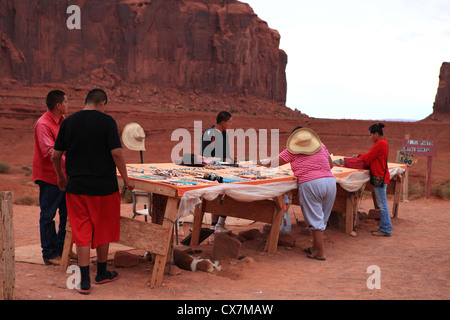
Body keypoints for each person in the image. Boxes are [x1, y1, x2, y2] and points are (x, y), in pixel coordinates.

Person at [52, 89, 135, 294]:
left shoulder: (68, 122)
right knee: (103, 228)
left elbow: (55, 155)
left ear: (85, 101)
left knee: (81, 231)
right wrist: (126, 179)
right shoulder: (107, 122)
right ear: (103, 102)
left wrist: (61, 177)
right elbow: (116, 153)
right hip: (104, 189)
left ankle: (84, 281)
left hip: (76, 188)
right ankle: (102, 273)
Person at [259, 126, 336, 261]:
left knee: (315, 219)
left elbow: (274, 163)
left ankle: (320, 253)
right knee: (321, 218)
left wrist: (260, 164)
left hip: (311, 183)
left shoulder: (292, 150)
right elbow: (331, 165)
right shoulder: (321, 146)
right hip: (330, 182)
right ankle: (315, 248)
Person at [32, 90, 70, 265]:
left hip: (63, 175)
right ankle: (49, 253)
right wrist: (71, 164)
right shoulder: (43, 124)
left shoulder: (63, 122)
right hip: (50, 177)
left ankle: (63, 249)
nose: (67, 105)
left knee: (66, 213)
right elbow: (49, 152)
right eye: (66, 102)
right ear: (58, 105)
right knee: (48, 215)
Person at [356, 123, 392, 237]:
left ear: (376, 134)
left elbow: (368, 157)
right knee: (382, 203)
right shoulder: (383, 143)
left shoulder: (380, 144)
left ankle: (386, 229)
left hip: (379, 176)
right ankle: (384, 227)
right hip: (381, 175)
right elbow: (371, 155)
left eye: (371, 135)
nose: (371, 137)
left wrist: (358, 157)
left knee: (382, 204)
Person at [201, 111, 233, 232]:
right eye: (229, 122)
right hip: (212, 169)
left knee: (225, 194)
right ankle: (214, 226)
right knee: (216, 195)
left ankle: (220, 224)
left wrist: (229, 159)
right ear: (223, 122)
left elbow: (225, 152)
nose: (231, 124)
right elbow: (206, 154)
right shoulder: (209, 133)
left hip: (223, 169)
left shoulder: (225, 134)